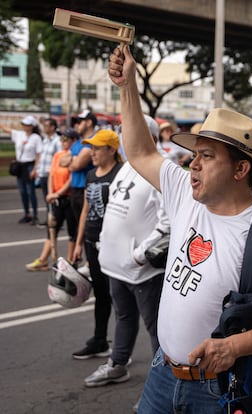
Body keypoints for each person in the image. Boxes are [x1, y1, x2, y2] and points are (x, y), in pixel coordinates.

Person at [109, 46, 252, 414]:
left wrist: (232, 347)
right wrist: (127, 86)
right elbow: (140, 152)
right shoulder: (185, 196)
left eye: (207, 156)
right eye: (194, 154)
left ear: (240, 170)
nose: (192, 165)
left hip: (217, 390)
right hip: (161, 373)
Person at [83, 115, 169, 387]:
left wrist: (140, 254)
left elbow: (169, 222)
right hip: (115, 267)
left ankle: (163, 385)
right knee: (123, 317)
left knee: (158, 329)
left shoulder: (162, 169)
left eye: (131, 133)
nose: (124, 139)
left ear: (152, 139)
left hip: (143, 272)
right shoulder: (127, 166)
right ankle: (118, 364)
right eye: (124, 133)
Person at [72, 129, 123, 359]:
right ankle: (99, 340)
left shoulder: (121, 175)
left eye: (96, 148)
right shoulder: (92, 175)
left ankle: (123, 348)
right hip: (92, 243)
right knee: (101, 295)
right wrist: (79, 243)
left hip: (113, 245)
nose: (91, 152)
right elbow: (85, 210)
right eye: (90, 148)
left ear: (111, 150)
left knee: (121, 299)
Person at [25, 128, 79, 271]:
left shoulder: (75, 156)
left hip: (68, 197)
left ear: (74, 141)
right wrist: (50, 193)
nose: (62, 142)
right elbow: (52, 175)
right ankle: (43, 260)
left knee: (72, 231)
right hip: (55, 198)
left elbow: (72, 178)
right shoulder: (57, 155)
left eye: (66, 139)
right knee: (51, 229)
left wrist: (59, 193)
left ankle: (70, 262)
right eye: (61, 139)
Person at [0, 115, 42, 225]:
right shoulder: (19, 135)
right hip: (20, 165)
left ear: (32, 126)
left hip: (29, 165)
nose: (24, 126)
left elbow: (38, 154)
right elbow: (6, 129)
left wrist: (35, 169)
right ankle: (26, 214)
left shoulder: (36, 138)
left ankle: (35, 215)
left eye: (26, 124)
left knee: (30, 191)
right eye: (23, 124)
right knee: (22, 191)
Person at [60, 110, 95, 224]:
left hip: (86, 189)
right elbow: (61, 161)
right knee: (77, 225)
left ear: (89, 123)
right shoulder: (78, 143)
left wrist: (73, 160)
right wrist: (74, 160)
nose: (76, 125)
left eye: (80, 122)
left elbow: (78, 165)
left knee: (85, 226)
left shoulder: (92, 141)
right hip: (75, 189)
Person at [36, 117, 62, 226]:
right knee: (47, 199)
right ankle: (50, 219)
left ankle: (56, 220)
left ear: (53, 127)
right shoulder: (45, 140)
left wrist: (52, 171)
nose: (45, 128)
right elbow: (42, 156)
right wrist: (38, 170)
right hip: (43, 174)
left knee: (53, 199)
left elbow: (60, 157)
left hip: (51, 175)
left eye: (47, 126)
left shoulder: (57, 141)